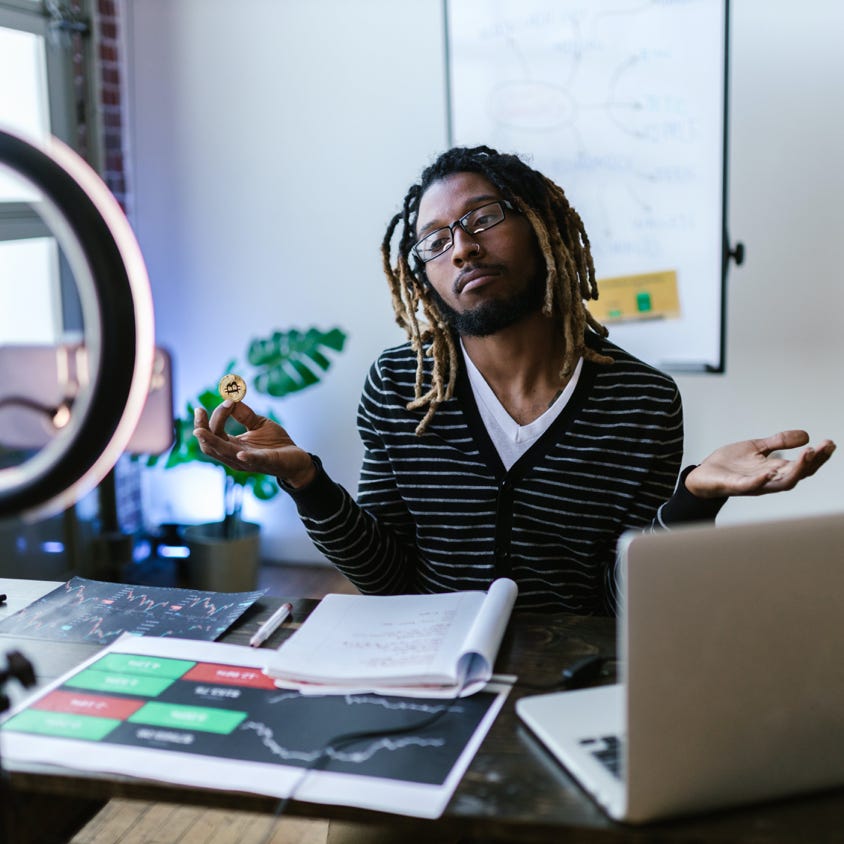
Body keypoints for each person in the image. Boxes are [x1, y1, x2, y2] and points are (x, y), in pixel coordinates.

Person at [194, 145, 835, 615]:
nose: (462, 249)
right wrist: (307, 482)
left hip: (569, 679)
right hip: (431, 673)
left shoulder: (640, 402)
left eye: (482, 219)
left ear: (543, 227)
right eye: (435, 241)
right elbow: (389, 578)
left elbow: (621, 600)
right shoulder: (399, 386)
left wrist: (694, 497)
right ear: (424, 277)